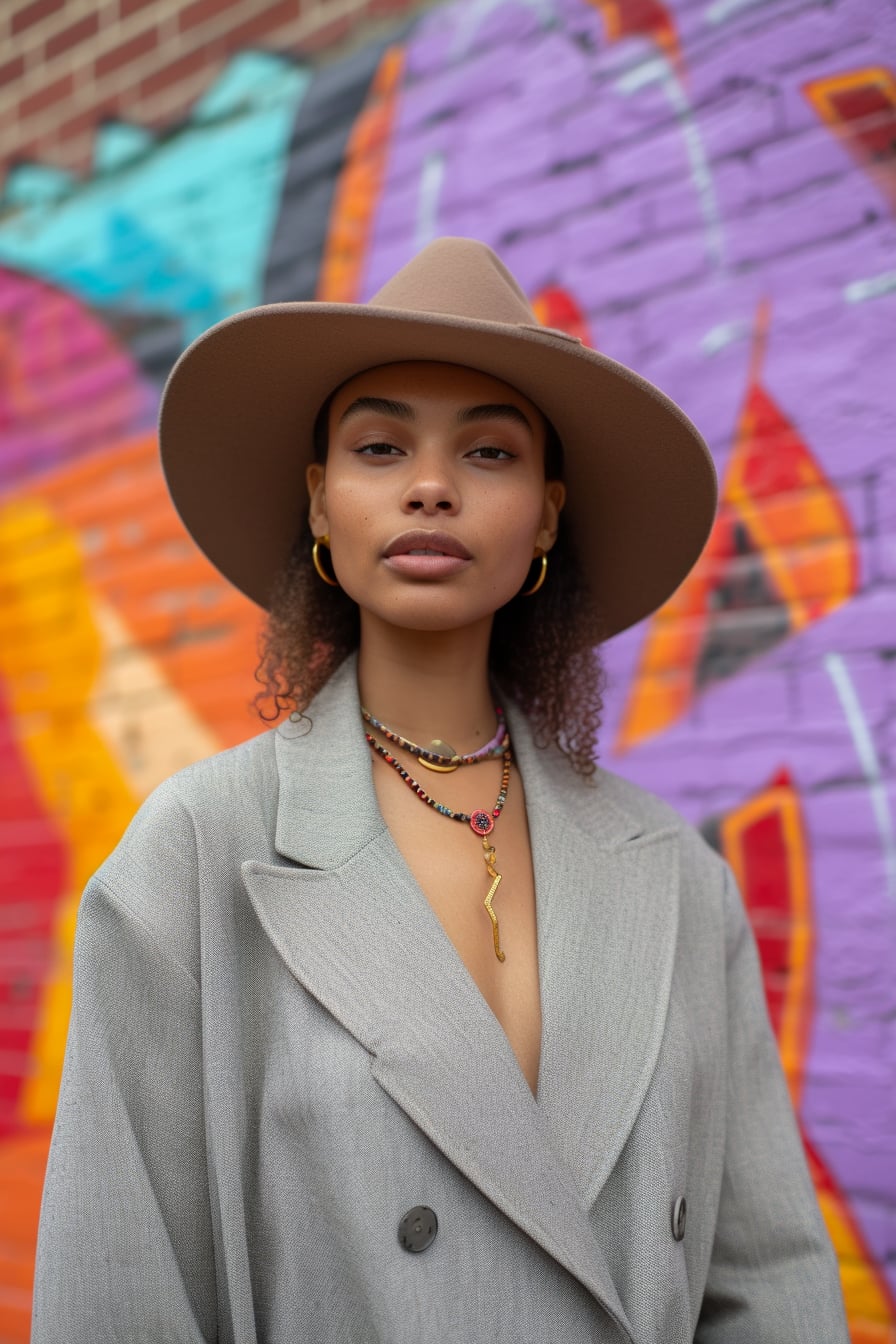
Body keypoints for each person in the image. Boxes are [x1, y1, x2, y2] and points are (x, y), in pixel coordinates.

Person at [31, 238, 848, 1342]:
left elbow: (770, 1288)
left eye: (489, 453)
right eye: (378, 445)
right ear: (320, 502)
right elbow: (116, 1295)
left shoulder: (675, 885)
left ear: (547, 517)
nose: (429, 484)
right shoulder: (195, 857)